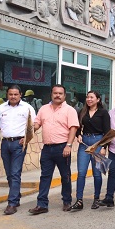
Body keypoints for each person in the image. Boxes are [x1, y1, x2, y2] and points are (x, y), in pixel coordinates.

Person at [29, 84, 79, 215]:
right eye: (55, 93)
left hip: (62, 147)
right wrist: (29, 129)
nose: (57, 95)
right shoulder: (44, 109)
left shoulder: (70, 110)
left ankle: (67, 201)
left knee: (65, 176)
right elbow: (37, 124)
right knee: (45, 176)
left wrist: (68, 145)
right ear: (51, 94)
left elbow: (73, 128)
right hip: (47, 148)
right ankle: (41, 204)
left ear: (64, 95)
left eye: (60, 93)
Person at [0, 85, 36, 215]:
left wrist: (26, 139)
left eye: (16, 94)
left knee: (15, 172)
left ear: (20, 95)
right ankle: (16, 195)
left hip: (19, 144)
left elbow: (33, 125)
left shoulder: (27, 108)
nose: (13, 96)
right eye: (11, 94)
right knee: (9, 174)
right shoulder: (1, 108)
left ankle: (12, 203)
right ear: (7, 95)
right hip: (5, 143)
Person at [73, 90, 110, 211]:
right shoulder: (82, 111)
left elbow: (107, 131)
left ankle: (96, 198)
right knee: (81, 173)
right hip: (84, 143)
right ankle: (79, 200)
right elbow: (77, 126)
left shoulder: (103, 113)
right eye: (87, 97)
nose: (89, 99)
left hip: (98, 142)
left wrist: (104, 147)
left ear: (98, 99)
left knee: (97, 173)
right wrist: (78, 135)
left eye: (92, 97)